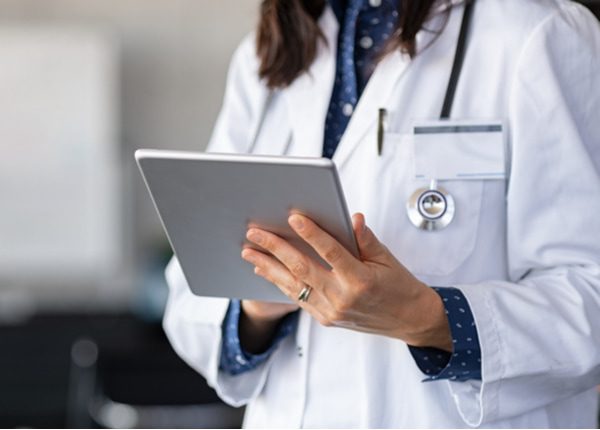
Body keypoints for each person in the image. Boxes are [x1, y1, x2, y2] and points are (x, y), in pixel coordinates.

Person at [163, 0, 600, 427]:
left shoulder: (541, 33)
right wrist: (257, 307)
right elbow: (190, 295)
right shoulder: (268, 53)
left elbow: (590, 296)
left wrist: (430, 318)